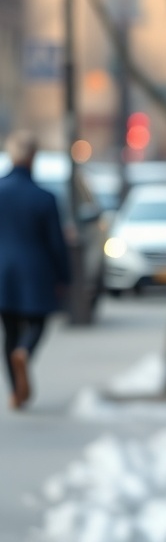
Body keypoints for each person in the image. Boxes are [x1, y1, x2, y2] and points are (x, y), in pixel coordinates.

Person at [0, 130, 70, 410]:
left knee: (9, 330)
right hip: (35, 270)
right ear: (33, 158)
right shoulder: (44, 197)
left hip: (2, 272)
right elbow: (57, 242)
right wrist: (64, 276)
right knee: (38, 322)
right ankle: (25, 352)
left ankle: (16, 393)